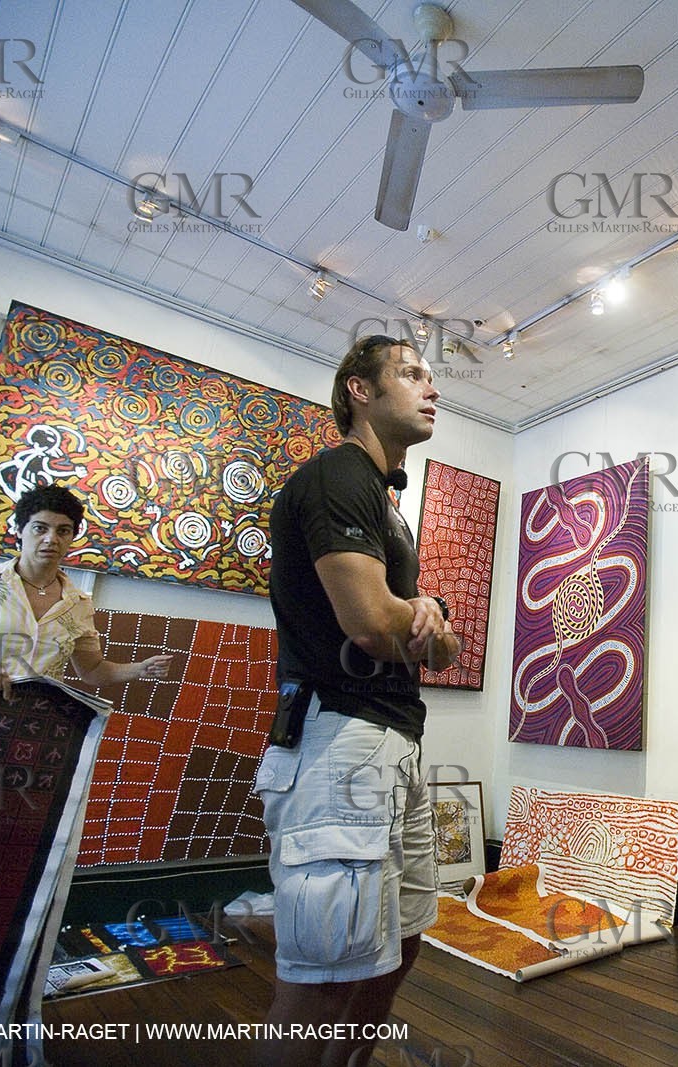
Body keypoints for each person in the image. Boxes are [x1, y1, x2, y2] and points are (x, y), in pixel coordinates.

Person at [254, 335, 458, 1067]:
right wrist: (421, 615)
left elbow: (446, 646)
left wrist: (424, 617)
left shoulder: (383, 501)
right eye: (410, 373)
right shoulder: (337, 476)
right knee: (321, 984)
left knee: (401, 943)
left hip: (393, 742)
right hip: (339, 744)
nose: (431, 388)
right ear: (358, 391)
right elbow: (375, 623)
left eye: (431, 376)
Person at [0, 482, 176, 696]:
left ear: (72, 537)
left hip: (37, 721)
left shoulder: (78, 603)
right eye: (40, 528)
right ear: (18, 530)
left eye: (63, 531)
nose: (51, 539)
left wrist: (138, 669)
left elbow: (93, 669)